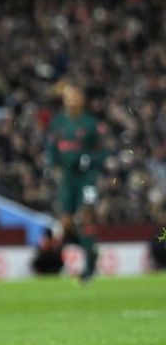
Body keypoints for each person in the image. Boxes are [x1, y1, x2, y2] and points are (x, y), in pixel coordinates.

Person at [45, 82, 103, 282]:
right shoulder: (58, 122)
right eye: (69, 96)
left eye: (75, 96)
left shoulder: (90, 123)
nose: (72, 99)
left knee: (85, 217)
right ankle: (90, 250)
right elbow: (52, 146)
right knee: (67, 223)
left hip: (86, 179)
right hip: (67, 179)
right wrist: (50, 163)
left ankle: (88, 268)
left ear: (82, 100)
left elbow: (102, 151)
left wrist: (91, 160)